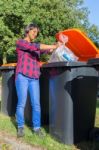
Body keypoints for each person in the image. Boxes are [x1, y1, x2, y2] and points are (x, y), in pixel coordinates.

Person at [15, 22, 62, 137]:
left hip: (34, 77)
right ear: (28, 31)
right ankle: (20, 127)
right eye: (33, 31)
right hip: (22, 76)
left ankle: (37, 128)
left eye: (37, 32)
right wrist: (52, 46)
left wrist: (57, 45)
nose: (35, 34)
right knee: (21, 103)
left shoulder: (36, 46)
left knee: (36, 104)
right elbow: (36, 47)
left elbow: (46, 50)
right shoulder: (21, 42)